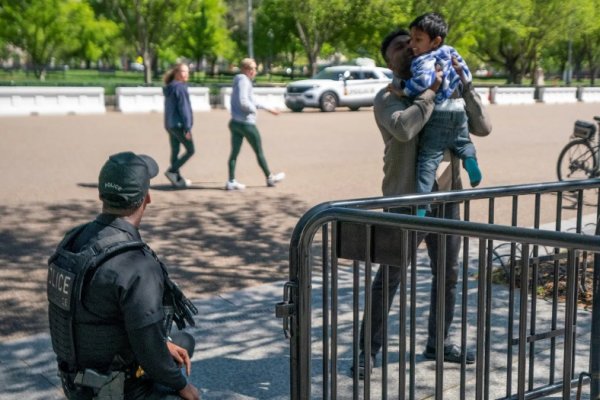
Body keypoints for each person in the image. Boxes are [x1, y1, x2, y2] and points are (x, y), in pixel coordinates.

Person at [354, 27, 492, 377]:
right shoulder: (388, 98)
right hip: (406, 199)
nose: (409, 50)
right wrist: (429, 94)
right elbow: (404, 129)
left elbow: (483, 128)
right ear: (389, 60)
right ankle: (367, 351)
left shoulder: (446, 86)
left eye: (411, 44)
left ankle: (439, 342)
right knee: (390, 277)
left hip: (446, 196)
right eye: (400, 48)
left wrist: (467, 88)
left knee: (448, 275)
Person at [47, 151, 200, 399]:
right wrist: (183, 386)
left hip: (76, 380)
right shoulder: (136, 265)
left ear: (101, 195)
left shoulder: (73, 240)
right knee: (179, 377)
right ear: (146, 198)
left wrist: (163, 344)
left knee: (181, 342)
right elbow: (150, 350)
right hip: (118, 390)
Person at [404, 13, 482, 215]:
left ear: (435, 41)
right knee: (463, 143)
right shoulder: (452, 52)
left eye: (418, 39)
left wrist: (403, 90)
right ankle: (471, 162)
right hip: (459, 108)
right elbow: (467, 75)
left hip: (438, 112)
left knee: (428, 160)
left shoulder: (422, 59)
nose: (412, 44)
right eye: (412, 38)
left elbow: (423, 82)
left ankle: (422, 207)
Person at [226, 58, 285, 190]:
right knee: (259, 151)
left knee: (234, 153)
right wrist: (253, 111)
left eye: (254, 69)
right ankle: (270, 178)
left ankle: (231, 181)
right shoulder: (244, 80)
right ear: (244, 69)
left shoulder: (240, 81)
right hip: (246, 124)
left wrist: (269, 109)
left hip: (235, 123)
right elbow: (244, 101)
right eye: (250, 69)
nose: (253, 71)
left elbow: (253, 100)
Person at [163, 63, 195, 188]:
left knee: (175, 151)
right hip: (180, 125)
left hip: (170, 125)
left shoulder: (170, 87)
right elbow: (184, 109)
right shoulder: (180, 88)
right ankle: (172, 171)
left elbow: (168, 109)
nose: (186, 74)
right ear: (176, 73)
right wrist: (187, 127)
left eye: (187, 71)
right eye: (183, 71)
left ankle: (177, 179)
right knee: (191, 150)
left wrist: (167, 125)